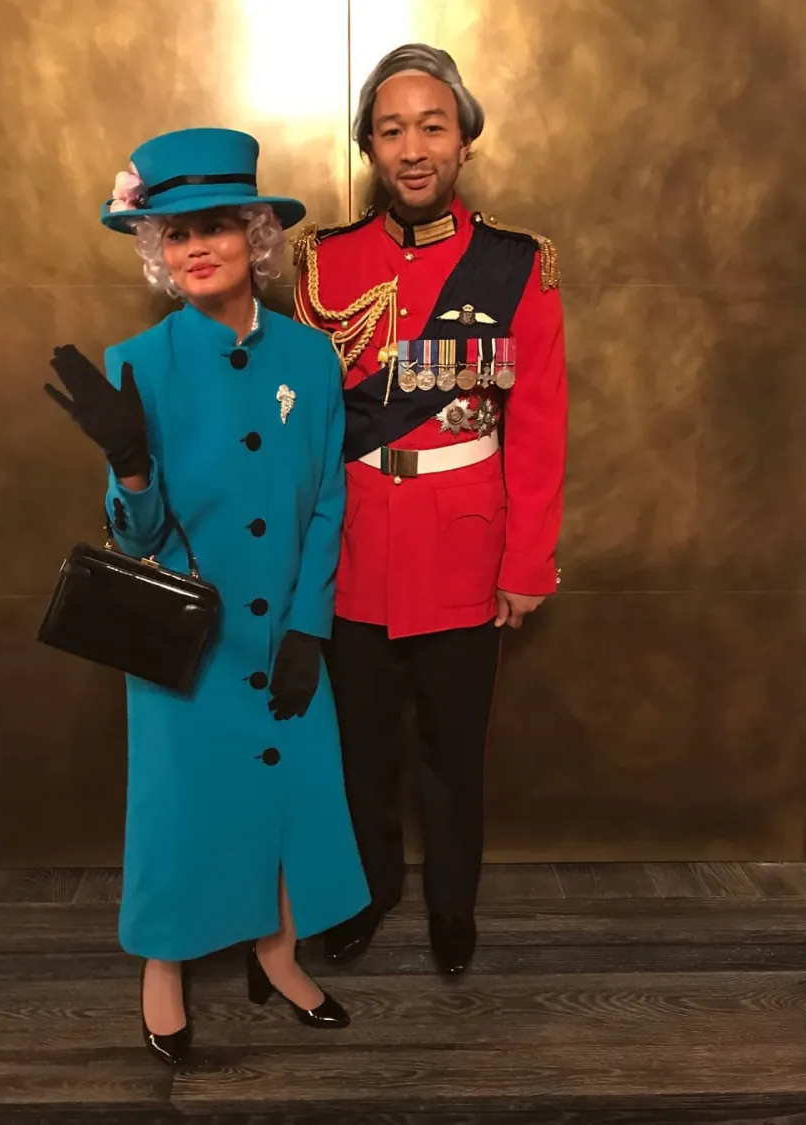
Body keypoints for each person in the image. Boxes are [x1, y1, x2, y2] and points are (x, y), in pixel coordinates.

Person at [43, 127, 370, 1066]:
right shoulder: (137, 361)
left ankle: (277, 951)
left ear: (256, 237)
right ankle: (164, 966)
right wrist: (130, 463)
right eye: (175, 232)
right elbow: (135, 540)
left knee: (290, 793)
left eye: (217, 226)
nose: (195, 248)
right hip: (186, 637)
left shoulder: (311, 360)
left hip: (285, 634)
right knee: (180, 805)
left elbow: (327, 503)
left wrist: (310, 624)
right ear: (156, 249)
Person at [294, 44, 567, 975]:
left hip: (463, 543)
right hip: (356, 542)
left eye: (432, 126)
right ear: (370, 145)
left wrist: (526, 562)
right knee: (359, 749)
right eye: (391, 128)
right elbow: (299, 420)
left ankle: (455, 908)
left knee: (454, 753)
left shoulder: (516, 267)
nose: (413, 147)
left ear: (464, 140)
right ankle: (367, 893)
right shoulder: (322, 263)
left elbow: (537, 425)